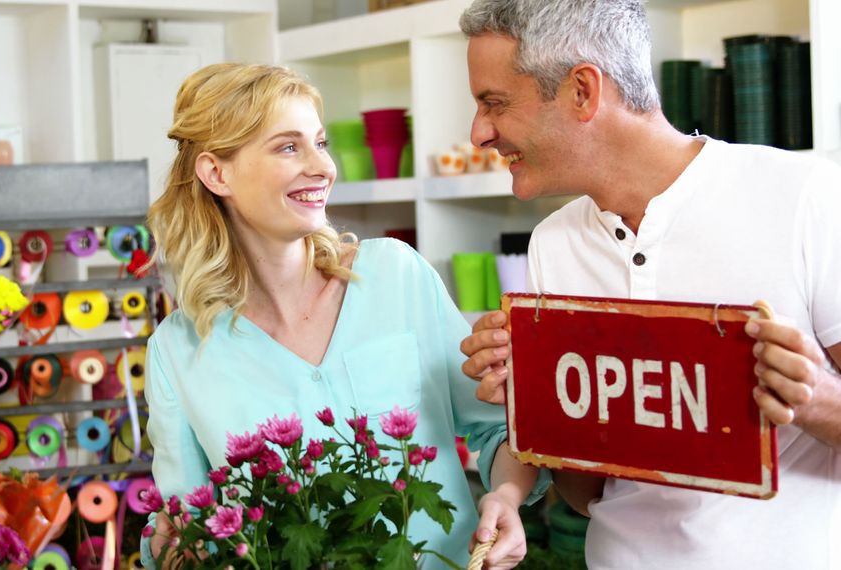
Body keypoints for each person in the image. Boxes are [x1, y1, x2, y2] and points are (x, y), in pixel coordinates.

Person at [456, 0, 841, 568]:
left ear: (583, 91)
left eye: (495, 103)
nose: (479, 132)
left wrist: (816, 398)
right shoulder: (553, 242)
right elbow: (587, 495)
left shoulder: (805, 195)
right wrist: (538, 403)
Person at [137, 62, 548, 569]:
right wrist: (177, 550)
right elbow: (183, 524)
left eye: (321, 143)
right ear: (216, 173)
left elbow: (497, 429)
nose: (323, 167)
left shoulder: (396, 275)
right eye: (289, 147)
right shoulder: (178, 353)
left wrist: (504, 497)